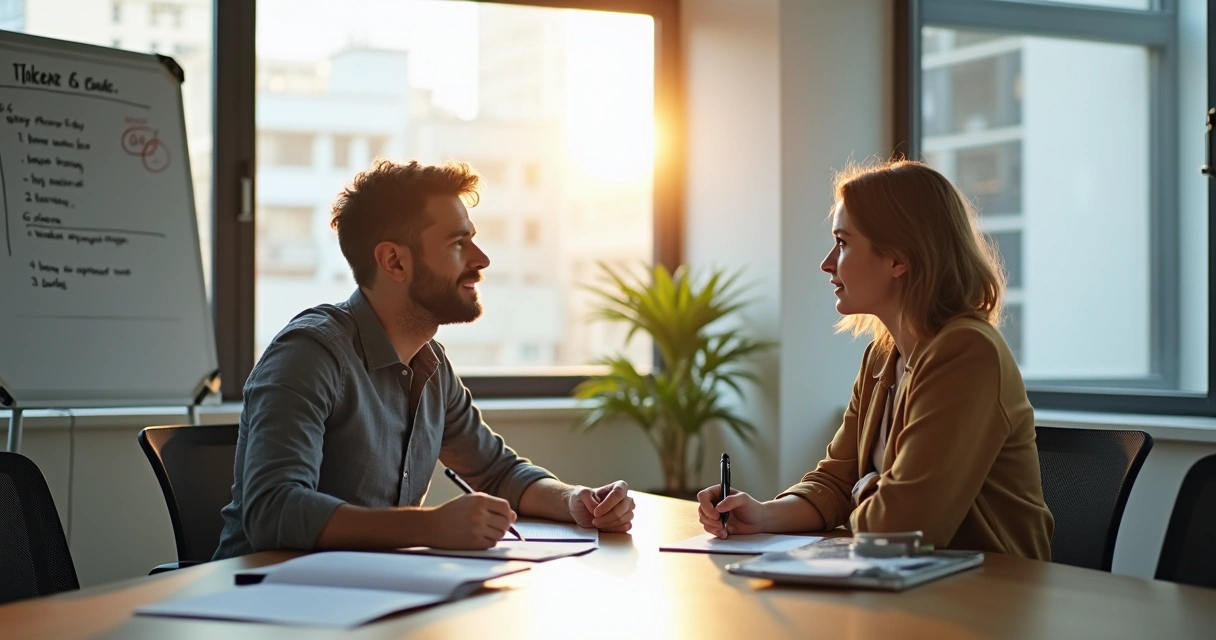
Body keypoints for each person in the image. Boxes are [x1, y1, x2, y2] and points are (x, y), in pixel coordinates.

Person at [214, 159, 634, 559]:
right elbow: (274, 512)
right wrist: (429, 527)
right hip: (261, 604)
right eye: (457, 243)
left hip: (371, 598)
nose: (481, 259)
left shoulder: (431, 365)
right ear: (394, 261)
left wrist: (575, 500)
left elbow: (496, 473)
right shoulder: (310, 354)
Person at [695, 160, 1053, 560]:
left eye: (843, 243)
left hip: (990, 601)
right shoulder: (882, 357)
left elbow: (904, 526)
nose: (827, 262)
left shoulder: (967, 351)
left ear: (898, 259)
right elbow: (834, 483)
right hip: (912, 589)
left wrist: (864, 489)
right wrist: (761, 516)